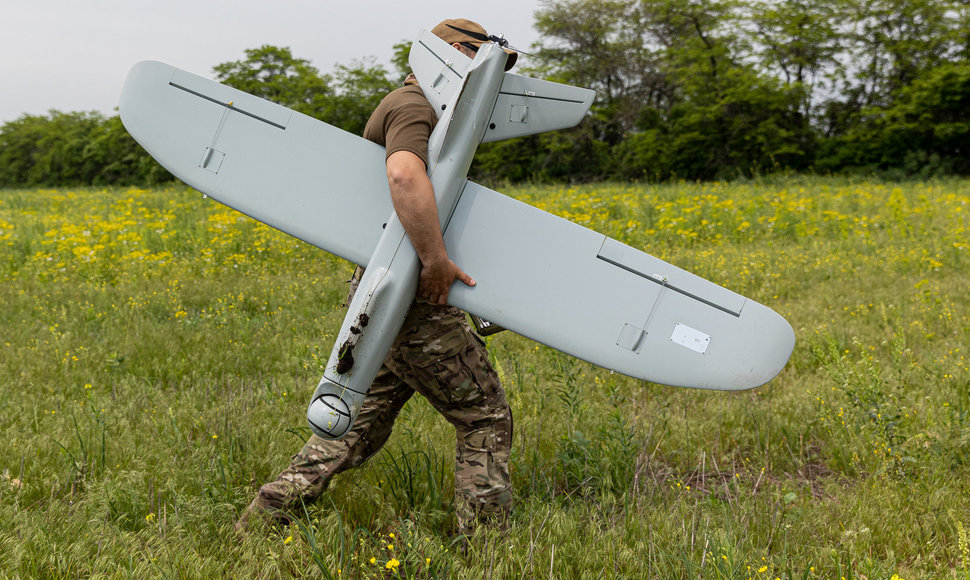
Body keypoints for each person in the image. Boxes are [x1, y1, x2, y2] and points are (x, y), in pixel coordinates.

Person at [236, 18, 516, 537]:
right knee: (483, 416)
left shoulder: (432, 112)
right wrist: (434, 262)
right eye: (481, 60)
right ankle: (486, 546)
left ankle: (262, 520)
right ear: (455, 52)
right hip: (410, 296)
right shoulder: (413, 106)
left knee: (352, 429)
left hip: (394, 296)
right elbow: (403, 174)